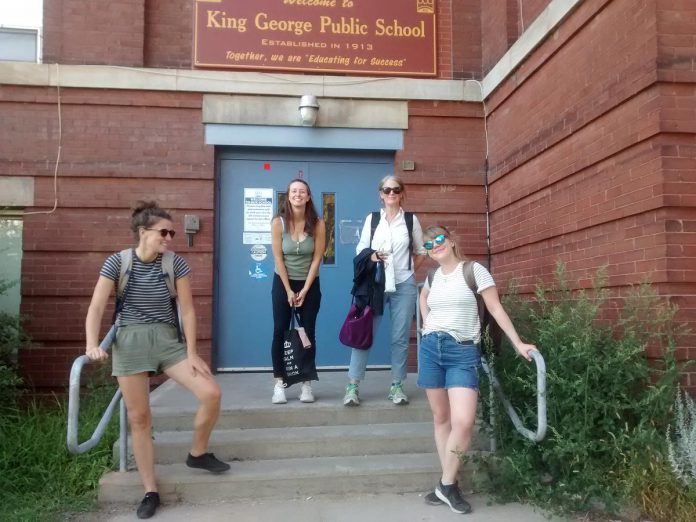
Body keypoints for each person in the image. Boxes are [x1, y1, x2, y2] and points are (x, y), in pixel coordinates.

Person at [85, 201, 229, 520]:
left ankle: (198, 453)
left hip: (168, 341)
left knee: (211, 393)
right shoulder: (117, 262)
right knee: (139, 419)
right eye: (164, 232)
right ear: (143, 232)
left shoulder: (174, 263)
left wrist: (192, 352)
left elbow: (188, 310)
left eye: (172, 232)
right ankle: (150, 490)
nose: (169, 237)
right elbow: (96, 306)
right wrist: (92, 343)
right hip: (131, 341)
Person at [418, 225, 537, 514]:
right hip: (430, 348)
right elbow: (423, 299)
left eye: (439, 239)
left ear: (451, 240)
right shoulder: (431, 276)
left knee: (464, 421)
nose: (435, 245)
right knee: (441, 418)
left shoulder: (474, 271)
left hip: (462, 350)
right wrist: (426, 325)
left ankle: (445, 484)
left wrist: (518, 342)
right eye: (429, 244)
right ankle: (449, 484)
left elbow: (495, 309)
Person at [343, 175, 425, 407]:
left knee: (400, 338)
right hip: (375, 284)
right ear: (380, 194)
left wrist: (408, 272)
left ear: (401, 193)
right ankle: (353, 385)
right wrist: (373, 255)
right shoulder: (372, 219)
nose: (391, 194)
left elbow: (420, 251)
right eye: (387, 190)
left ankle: (397, 386)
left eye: (396, 190)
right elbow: (360, 250)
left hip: (404, 285)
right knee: (364, 334)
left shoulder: (410, 220)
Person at [270, 178, 326, 404]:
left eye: (302, 191)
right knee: (280, 332)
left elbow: (317, 259)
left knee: (308, 334)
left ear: (308, 196)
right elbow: (278, 257)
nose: (298, 194)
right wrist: (288, 290)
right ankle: (279, 384)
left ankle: (306, 384)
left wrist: (304, 288)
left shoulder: (318, 223)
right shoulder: (278, 222)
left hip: (310, 284)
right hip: (282, 282)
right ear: (288, 195)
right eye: (294, 191)